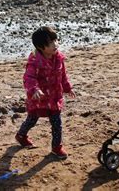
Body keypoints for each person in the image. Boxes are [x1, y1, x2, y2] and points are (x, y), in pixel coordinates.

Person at [15, 26, 76, 159]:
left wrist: (67, 88)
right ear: (41, 47)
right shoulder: (35, 61)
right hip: (39, 99)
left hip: (54, 97)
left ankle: (56, 147)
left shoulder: (58, 58)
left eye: (56, 41)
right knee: (32, 120)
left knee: (57, 123)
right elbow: (29, 78)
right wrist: (34, 89)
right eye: (50, 43)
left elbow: (63, 75)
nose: (55, 45)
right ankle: (21, 135)